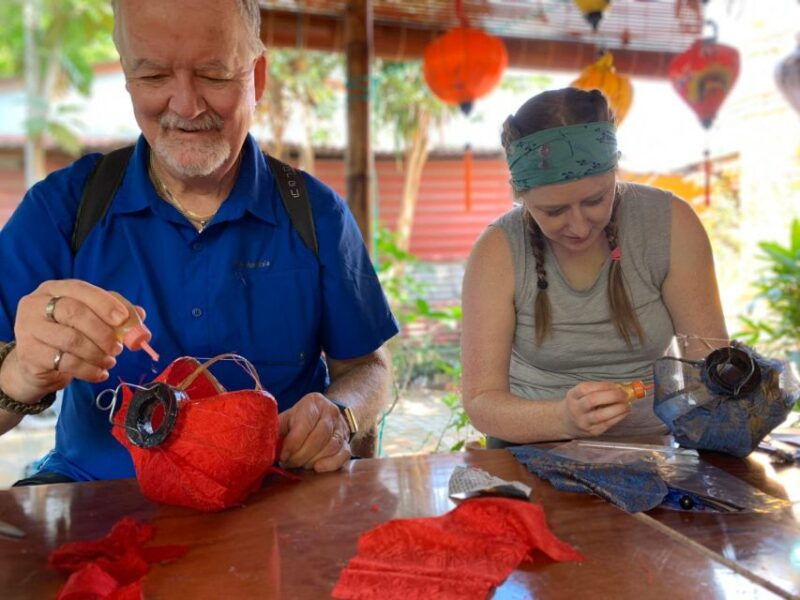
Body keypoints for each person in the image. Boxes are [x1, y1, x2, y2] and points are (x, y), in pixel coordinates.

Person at [0, 0, 398, 483]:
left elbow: (369, 368)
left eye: (214, 74)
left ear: (258, 78)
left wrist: (340, 412)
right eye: (152, 77)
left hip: (273, 501)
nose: (186, 106)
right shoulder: (62, 211)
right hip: (99, 499)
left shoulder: (315, 215)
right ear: (127, 77)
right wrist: (21, 375)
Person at [461, 88, 728, 446]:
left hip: (651, 450)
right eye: (553, 211)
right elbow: (482, 403)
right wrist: (563, 419)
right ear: (521, 196)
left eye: (595, 200)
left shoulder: (669, 223)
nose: (579, 226)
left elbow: (707, 366)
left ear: (614, 171)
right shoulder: (498, 250)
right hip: (530, 452)